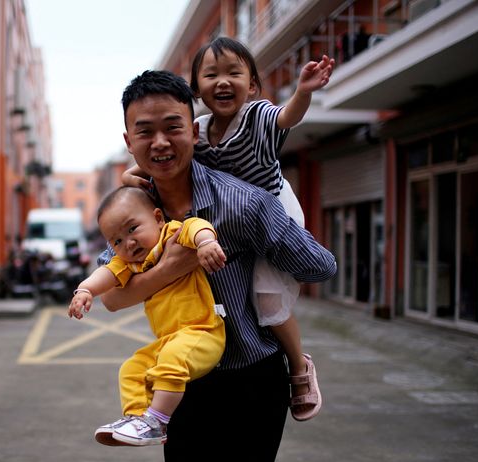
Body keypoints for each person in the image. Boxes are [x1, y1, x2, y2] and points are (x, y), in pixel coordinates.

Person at [101, 69, 336, 462]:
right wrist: (173, 267)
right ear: (129, 140)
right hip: (180, 388)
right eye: (145, 131)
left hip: (252, 381)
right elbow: (110, 298)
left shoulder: (242, 202)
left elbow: (320, 266)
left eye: (172, 126)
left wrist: (270, 244)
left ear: (193, 128)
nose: (161, 142)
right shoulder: (128, 213)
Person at [123, 36, 334, 422]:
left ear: (252, 84)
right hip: (181, 373)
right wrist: (176, 263)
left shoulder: (257, 118)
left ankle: (298, 366)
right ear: (197, 89)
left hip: (274, 205)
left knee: (267, 296)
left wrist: (303, 91)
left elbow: (288, 117)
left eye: (234, 73)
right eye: (211, 74)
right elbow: (114, 296)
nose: (223, 82)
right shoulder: (154, 189)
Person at [68, 186, 227, 447]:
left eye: (132, 229)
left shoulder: (171, 234)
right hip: (170, 339)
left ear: (157, 218)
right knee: (132, 369)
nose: (128, 243)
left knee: (172, 359)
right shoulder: (130, 262)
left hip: (203, 332)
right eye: (116, 241)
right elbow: (106, 274)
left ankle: (157, 421)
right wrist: (85, 290)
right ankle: (137, 419)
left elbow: (197, 225)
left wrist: (206, 242)